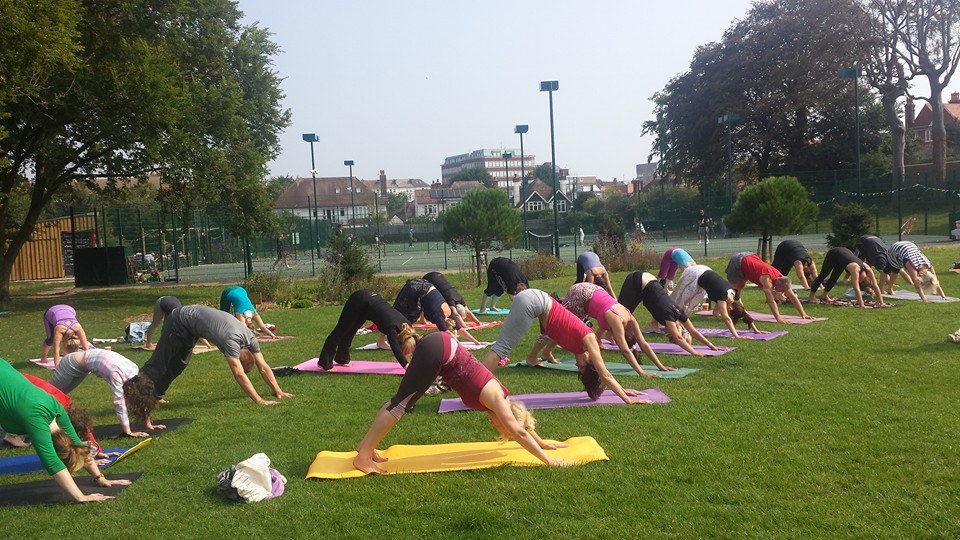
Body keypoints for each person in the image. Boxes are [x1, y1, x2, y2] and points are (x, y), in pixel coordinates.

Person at [352, 331, 574, 474]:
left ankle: (365, 447)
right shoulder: (497, 399)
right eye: (502, 428)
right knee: (401, 405)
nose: (494, 427)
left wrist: (543, 442)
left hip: (441, 345)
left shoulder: (504, 402)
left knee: (399, 401)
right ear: (507, 422)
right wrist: (550, 461)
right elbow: (519, 431)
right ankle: (363, 458)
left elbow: (522, 424)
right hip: (439, 350)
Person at [123, 305, 294, 430]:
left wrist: (278, 391)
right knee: (158, 365)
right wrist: (259, 400)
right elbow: (239, 374)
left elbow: (263, 366)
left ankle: (157, 396)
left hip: (192, 326)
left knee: (178, 365)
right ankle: (136, 396)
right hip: (179, 320)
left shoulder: (250, 339)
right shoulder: (231, 342)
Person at [479, 289, 650, 404]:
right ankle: (476, 385)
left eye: (578, 369)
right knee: (501, 351)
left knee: (501, 349)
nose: (577, 365)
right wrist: (627, 398)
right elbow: (604, 374)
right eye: (582, 366)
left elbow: (602, 379)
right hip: (534, 301)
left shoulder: (575, 345)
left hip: (534, 300)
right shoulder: (589, 339)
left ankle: (475, 383)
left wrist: (621, 390)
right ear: (590, 360)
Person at [0, 361, 130, 502]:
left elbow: (78, 445)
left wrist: (100, 478)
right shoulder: (36, 421)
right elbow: (52, 462)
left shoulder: (56, 407)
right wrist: (81, 497)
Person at [527, 282, 675, 376]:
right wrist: (642, 372)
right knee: (558, 325)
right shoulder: (617, 320)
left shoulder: (630, 317)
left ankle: (546, 353)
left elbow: (643, 344)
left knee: (564, 329)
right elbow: (624, 350)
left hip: (592, 290)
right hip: (581, 295)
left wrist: (660, 366)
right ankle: (533, 356)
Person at [51, 337, 149, 438]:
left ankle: (52, 421)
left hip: (83, 366)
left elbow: (142, 397)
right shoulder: (117, 375)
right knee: (50, 394)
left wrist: (148, 423)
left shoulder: (134, 369)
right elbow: (119, 403)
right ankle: (40, 426)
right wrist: (128, 432)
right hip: (70, 364)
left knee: (59, 395)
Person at [616, 272, 721, 356]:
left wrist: (711, 345)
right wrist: (695, 353)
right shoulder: (669, 317)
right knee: (618, 314)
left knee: (625, 313)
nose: (665, 332)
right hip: (638, 280)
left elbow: (693, 331)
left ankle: (609, 336)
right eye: (669, 334)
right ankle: (600, 339)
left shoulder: (680, 314)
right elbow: (679, 338)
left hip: (648, 282)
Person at [318, 290, 419, 369]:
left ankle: (342, 359)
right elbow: (396, 350)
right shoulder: (392, 328)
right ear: (400, 342)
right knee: (340, 331)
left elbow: (417, 342)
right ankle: (324, 363)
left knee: (351, 331)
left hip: (369, 304)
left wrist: (420, 362)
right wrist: (406, 366)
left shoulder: (408, 327)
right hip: (359, 300)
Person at [670, 265, 766, 338]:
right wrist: (737, 336)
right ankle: (667, 321)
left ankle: (677, 322)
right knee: (679, 300)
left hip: (705, 271)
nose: (728, 314)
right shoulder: (723, 297)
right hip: (695, 273)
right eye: (730, 313)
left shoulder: (735, 295)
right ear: (730, 308)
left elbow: (744, 312)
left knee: (690, 304)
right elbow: (726, 318)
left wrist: (756, 330)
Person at [725, 252, 813, 323]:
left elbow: (793, 297)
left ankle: (738, 310)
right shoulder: (767, 280)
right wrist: (778, 318)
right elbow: (771, 301)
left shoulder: (782, 278)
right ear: (777, 286)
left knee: (740, 286)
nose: (782, 293)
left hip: (750, 257)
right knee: (735, 289)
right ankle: (729, 310)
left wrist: (803, 314)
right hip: (739, 261)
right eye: (781, 291)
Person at [391, 278, 481, 345]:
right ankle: (394, 338)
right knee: (403, 316)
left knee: (405, 316)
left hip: (424, 284)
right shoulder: (440, 316)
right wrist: (460, 346)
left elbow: (460, 329)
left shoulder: (449, 314)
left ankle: (392, 337)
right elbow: (447, 333)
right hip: (415, 288)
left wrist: (476, 342)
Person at [807, 247, 887, 308]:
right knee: (823, 275)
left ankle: (825, 295)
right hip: (834, 253)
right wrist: (862, 305)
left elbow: (875, 286)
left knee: (834, 278)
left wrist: (882, 302)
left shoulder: (868, 269)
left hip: (843, 258)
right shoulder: (856, 269)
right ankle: (811, 297)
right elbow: (856, 288)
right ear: (860, 281)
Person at [143, 296, 212, 351]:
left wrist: (208, 346)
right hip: (162, 301)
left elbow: (197, 334)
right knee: (156, 323)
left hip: (172, 304)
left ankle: (163, 343)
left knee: (167, 326)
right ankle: (148, 343)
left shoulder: (188, 320)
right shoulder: (179, 319)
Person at [41, 304, 91, 368]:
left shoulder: (78, 328)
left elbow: (86, 349)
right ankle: (43, 357)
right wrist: (57, 366)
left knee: (85, 344)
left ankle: (66, 354)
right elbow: (56, 350)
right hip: (52, 312)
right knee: (50, 339)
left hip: (70, 310)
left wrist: (89, 365)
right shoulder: (59, 330)